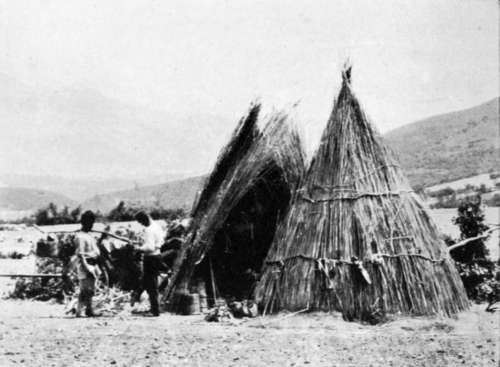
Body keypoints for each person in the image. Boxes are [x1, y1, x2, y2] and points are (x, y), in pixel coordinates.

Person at [132, 211, 165, 316]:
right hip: (157, 256)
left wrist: (139, 249)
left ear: (144, 219)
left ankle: (155, 310)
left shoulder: (149, 230)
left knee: (151, 284)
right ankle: (154, 307)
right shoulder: (157, 227)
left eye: (141, 222)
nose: (142, 225)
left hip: (150, 258)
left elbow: (149, 247)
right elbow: (160, 243)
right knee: (150, 282)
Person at [74, 210, 101, 317]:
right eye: (90, 223)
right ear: (85, 223)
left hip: (93, 263)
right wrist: (87, 267)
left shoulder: (89, 236)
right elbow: (81, 254)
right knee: (85, 289)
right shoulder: (80, 237)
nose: (91, 225)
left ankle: (89, 310)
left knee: (91, 289)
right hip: (86, 264)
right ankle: (79, 311)